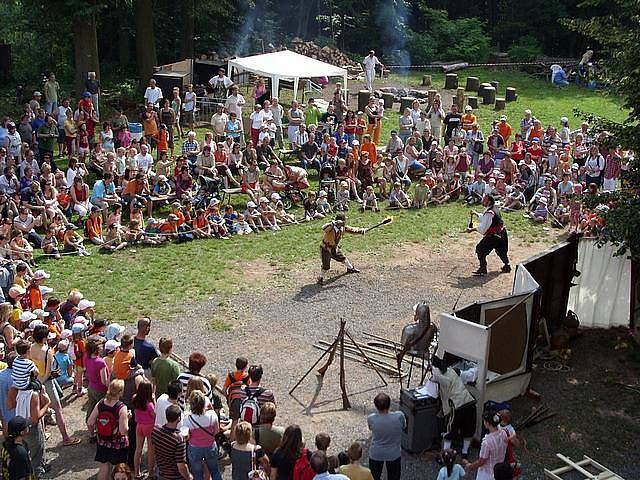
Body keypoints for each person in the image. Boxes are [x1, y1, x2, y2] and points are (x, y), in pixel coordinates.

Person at [431, 355, 476, 459]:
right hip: (469, 402)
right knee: (468, 429)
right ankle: (465, 452)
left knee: (449, 431)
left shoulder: (437, 375)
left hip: (456, 406)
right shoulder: (453, 370)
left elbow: (437, 382)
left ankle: (446, 455)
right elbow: (469, 375)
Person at [87, 379, 130, 480]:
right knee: (119, 469)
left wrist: (94, 434)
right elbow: (123, 431)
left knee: (103, 466)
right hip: (118, 443)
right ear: (120, 392)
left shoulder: (100, 403)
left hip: (102, 440)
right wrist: (127, 418)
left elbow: (90, 422)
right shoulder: (122, 408)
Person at [467, 194, 511, 276]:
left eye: (484, 200)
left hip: (494, 236)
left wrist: (472, 229)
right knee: (501, 250)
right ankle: (507, 265)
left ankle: (483, 268)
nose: (483, 201)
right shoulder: (494, 208)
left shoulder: (489, 212)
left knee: (480, 249)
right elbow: (486, 218)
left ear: (489, 202)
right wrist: (476, 214)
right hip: (502, 233)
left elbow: (483, 228)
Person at [183, 390, 222, 480]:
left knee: (197, 474)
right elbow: (216, 432)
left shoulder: (186, 419)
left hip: (194, 448)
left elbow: (187, 437)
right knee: (215, 471)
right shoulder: (212, 415)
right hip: (210, 446)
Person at [317, 213, 367, 285]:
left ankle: (350, 268)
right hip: (326, 249)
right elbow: (323, 228)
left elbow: (353, 230)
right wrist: (333, 223)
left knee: (342, 258)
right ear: (340, 222)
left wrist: (362, 230)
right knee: (326, 265)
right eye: (344, 221)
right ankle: (320, 278)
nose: (345, 222)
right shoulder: (331, 228)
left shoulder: (343, 228)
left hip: (334, 248)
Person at [367, 392, 405, 480]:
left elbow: (370, 428)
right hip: (394, 453)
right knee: (394, 476)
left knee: (374, 476)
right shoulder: (399, 416)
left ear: (376, 406)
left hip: (376, 453)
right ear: (389, 404)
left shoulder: (371, 418)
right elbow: (404, 426)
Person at [463, 411, 511, 480]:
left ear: (487, 423)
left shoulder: (487, 442)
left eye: (484, 421)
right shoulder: (504, 433)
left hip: (488, 474)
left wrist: (470, 466)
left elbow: (481, 461)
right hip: (500, 470)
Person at [152, 404, 192, 480]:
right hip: (175, 476)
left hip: (161, 472)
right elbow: (181, 466)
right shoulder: (179, 439)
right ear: (179, 418)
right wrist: (189, 477)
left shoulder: (155, 430)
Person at [1, 416, 35, 480]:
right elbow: (21, 477)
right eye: (26, 426)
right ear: (22, 432)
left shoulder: (6, 444)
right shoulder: (20, 453)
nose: (28, 427)